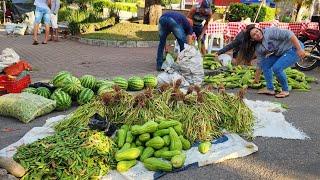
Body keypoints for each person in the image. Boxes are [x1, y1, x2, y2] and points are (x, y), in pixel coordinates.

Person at [240, 26, 305, 98]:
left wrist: (299, 49)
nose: (257, 34)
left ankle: (285, 90)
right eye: (254, 35)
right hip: (280, 52)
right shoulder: (259, 47)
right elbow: (260, 63)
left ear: (260, 30)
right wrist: (256, 78)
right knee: (265, 64)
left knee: (277, 68)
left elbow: (289, 34)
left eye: (257, 31)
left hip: (294, 48)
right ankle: (270, 89)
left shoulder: (270, 32)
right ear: (252, 39)